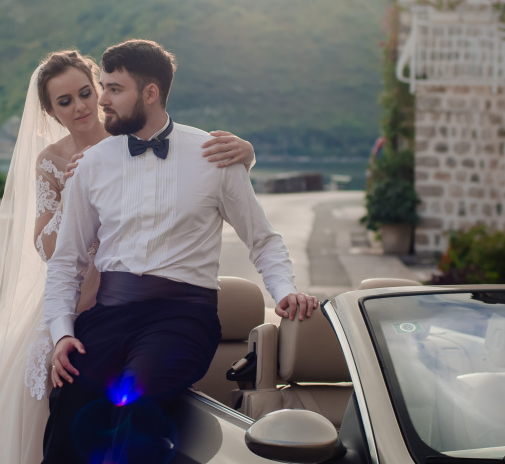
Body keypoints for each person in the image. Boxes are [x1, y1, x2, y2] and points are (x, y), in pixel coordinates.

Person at [0, 49, 255, 463]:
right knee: (52, 395)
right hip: (77, 294)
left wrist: (247, 155)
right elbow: (47, 248)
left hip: (136, 297)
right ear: (51, 112)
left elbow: (186, 169)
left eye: (86, 93)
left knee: (127, 401)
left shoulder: (130, 136)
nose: (80, 106)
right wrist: (73, 195)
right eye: (64, 101)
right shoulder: (52, 161)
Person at [43, 39, 319, 464]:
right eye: (103, 88)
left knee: (133, 401)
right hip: (109, 314)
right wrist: (63, 332)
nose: (102, 101)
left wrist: (284, 291)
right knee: (69, 400)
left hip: (182, 317)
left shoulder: (216, 155)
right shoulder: (92, 164)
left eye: (114, 89)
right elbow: (67, 260)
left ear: (150, 93)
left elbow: (262, 239)